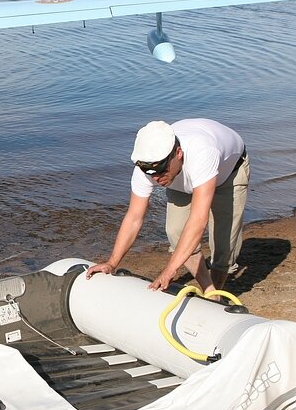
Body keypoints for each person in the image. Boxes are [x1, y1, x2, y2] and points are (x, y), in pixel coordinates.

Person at [86, 119, 249, 292]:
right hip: (181, 178)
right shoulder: (148, 166)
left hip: (229, 173)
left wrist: (170, 270)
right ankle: (210, 292)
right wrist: (112, 263)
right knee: (176, 232)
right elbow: (134, 218)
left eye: (161, 170)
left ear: (178, 153)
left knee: (224, 245)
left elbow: (198, 221)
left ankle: (215, 290)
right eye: (151, 172)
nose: (156, 178)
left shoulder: (202, 152)